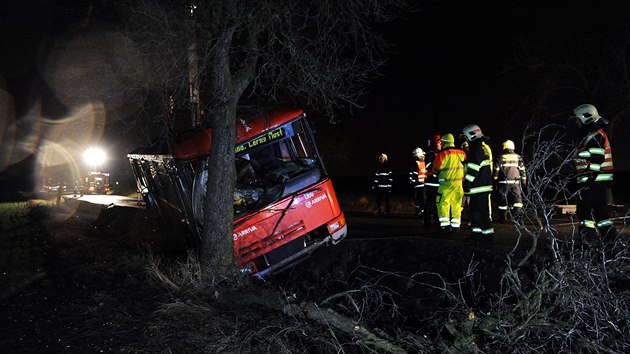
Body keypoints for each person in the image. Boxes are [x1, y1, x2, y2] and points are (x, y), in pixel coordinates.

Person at [571, 104, 615, 240]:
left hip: (594, 182)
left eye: (578, 120)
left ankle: (602, 243)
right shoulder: (590, 136)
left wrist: (590, 177)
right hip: (592, 182)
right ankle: (594, 242)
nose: (576, 123)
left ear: (586, 118)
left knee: (593, 213)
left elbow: (597, 158)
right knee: (592, 213)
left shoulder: (594, 135)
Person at [462, 124, 494, 238]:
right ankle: (477, 232)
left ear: (471, 136)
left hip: (478, 186)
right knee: (475, 211)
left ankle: (488, 234)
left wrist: (467, 183)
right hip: (482, 186)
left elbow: (474, 168)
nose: (465, 139)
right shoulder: (483, 147)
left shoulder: (476, 148)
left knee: (481, 212)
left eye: (465, 136)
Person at [432, 134, 466, 232]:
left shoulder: (443, 153)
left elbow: (436, 168)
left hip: (446, 184)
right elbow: (466, 167)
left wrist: (436, 173)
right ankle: (456, 226)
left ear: (444, 142)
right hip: (459, 184)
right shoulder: (462, 152)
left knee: (443, 204)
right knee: (456, 205)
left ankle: (445, 225)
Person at [493, 139, 527, 223]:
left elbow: (496, 170)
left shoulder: (501, 157)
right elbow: (522, 170)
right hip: (516, 183)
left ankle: (502, 218)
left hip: (504, 183)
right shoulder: (518, 157)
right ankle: (517, 218)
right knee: (517, 201)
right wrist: (524, 182)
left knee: (503, 201)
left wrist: (494, 180)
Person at [423, 134, 441, 227]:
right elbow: (429, 166)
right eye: (438, 142)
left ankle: (436, 221)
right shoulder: (430, 154)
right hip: (431, 183)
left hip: (438, 183)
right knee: (430, 203)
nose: (440, 144)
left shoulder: (439, 153)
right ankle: (427, 222)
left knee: (436, 204)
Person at [408, 147, 427, 218]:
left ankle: (420, 211)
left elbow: (414, 174)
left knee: (418, 199)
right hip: (423, 184)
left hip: (418, 184)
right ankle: (420, 211)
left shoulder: (416, 163)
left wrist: (412, 182)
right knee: (421, 199)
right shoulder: (424, 163)